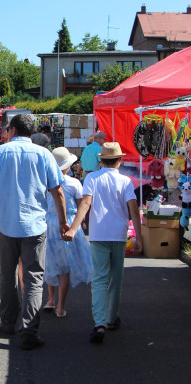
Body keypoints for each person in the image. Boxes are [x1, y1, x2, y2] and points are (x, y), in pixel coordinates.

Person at [0, 113, 67, 350]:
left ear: (13, 130)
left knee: (6, 275)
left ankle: (7, 322)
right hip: (35, 225)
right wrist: (63, 222)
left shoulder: (0, 152)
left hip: (6, 224)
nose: (6, 132)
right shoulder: (44, 154)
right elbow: (57, 191)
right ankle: (29, 330)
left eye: (7, 129)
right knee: (34, 278)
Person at [63, 141, 143, 343]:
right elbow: (133, 208)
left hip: (98, 234)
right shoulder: (125, 181)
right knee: (116, 278)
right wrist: (140, 237)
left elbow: (86, 203)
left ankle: (99, 324)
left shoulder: (92, 178)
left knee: (99, 279)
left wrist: (73, 228)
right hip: (119, 234)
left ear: (101, 160)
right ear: (119, 160)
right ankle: (110, 319)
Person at [43, 147, 92, 317]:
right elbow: (81, 206)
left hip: (49, 221)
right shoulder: (74, 183)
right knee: (64, 265)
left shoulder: (46, 181)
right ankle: (60, 306)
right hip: (68, 222)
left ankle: (50, 298)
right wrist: (82, 224)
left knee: (51, 260)